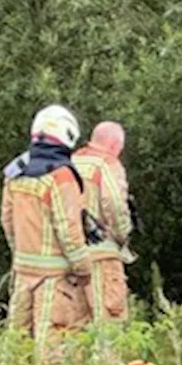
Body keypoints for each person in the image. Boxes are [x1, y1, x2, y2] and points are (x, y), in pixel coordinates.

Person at [0, 104, 90, 344]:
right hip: (53, 277)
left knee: (17, 344)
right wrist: (83, 267)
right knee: (51, 346)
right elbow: (68, 228)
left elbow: (7, 221)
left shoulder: (16, 172)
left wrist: (19, 254)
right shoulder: (61, 175)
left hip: (22, 273)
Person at [72, 121, 134, 324]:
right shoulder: (107, 165)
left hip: (70, 257)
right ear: (115, 145)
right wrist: (122, 235)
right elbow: (114, 204)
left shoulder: (70, 163)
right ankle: (107, 358)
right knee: (109, 323)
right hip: (102, 256)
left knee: (74, 327)